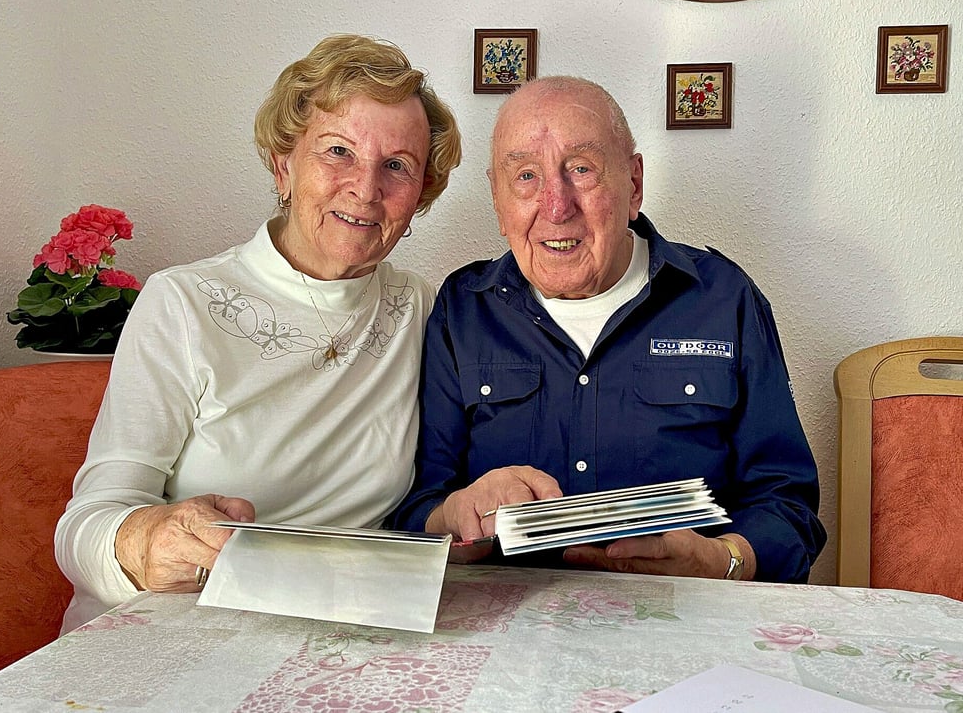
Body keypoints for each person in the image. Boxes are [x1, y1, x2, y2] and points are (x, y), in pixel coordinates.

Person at [55, 34, 462, 631]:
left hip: (336, 637)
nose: (366, 188)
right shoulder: (184, 304)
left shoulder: (421, 310)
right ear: (283, 165)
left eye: (397, 166)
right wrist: (145, 541)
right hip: (171, 630)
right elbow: (86, 522)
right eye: (338, 152)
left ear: (420, 194)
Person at [392, 76, 826, 583]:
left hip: (689, 620)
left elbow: (788, 506)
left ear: (634, 184)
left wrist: (719, 559)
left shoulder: (724, 299)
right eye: (526, 176)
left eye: (581, 169)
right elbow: (417, 508)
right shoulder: (461, 310)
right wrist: (457, 515)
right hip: (511, 627)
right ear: (497, 198)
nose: (556, 206)